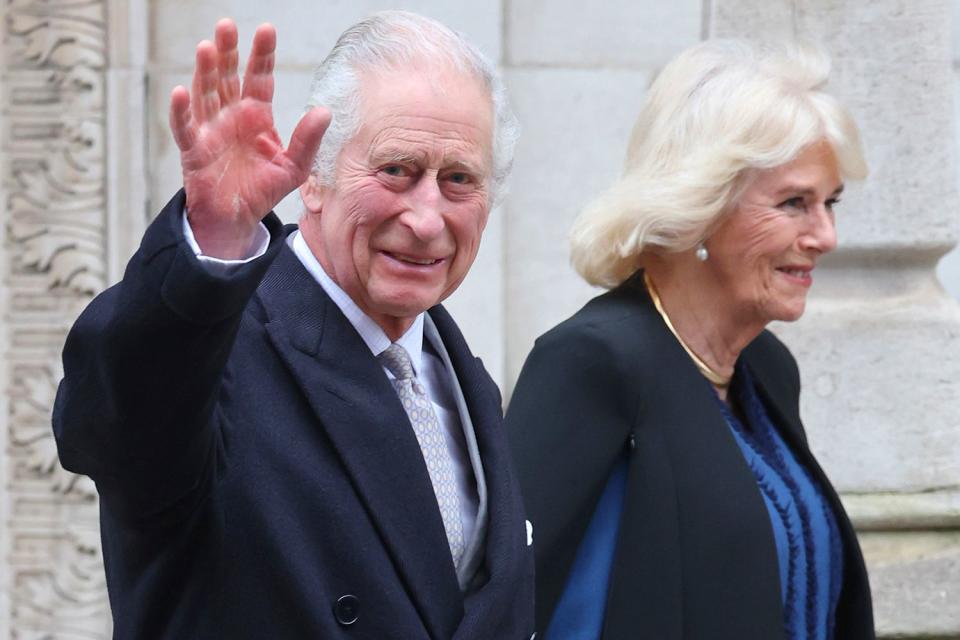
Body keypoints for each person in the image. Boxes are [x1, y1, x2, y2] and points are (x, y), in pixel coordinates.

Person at [52, 11, 533, 639]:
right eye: (396, 170)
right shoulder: (218, 350)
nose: (426, 218)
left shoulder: (460, 378)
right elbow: (110, 423)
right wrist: (214, 246)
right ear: (313, 180)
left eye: (458, 180)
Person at [506, 40, 875, 639]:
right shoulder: (594, 361)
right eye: (794, 203)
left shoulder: (766, 368)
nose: (826, 235)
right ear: (701, 206)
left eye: (829, 203)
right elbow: (518, 598)